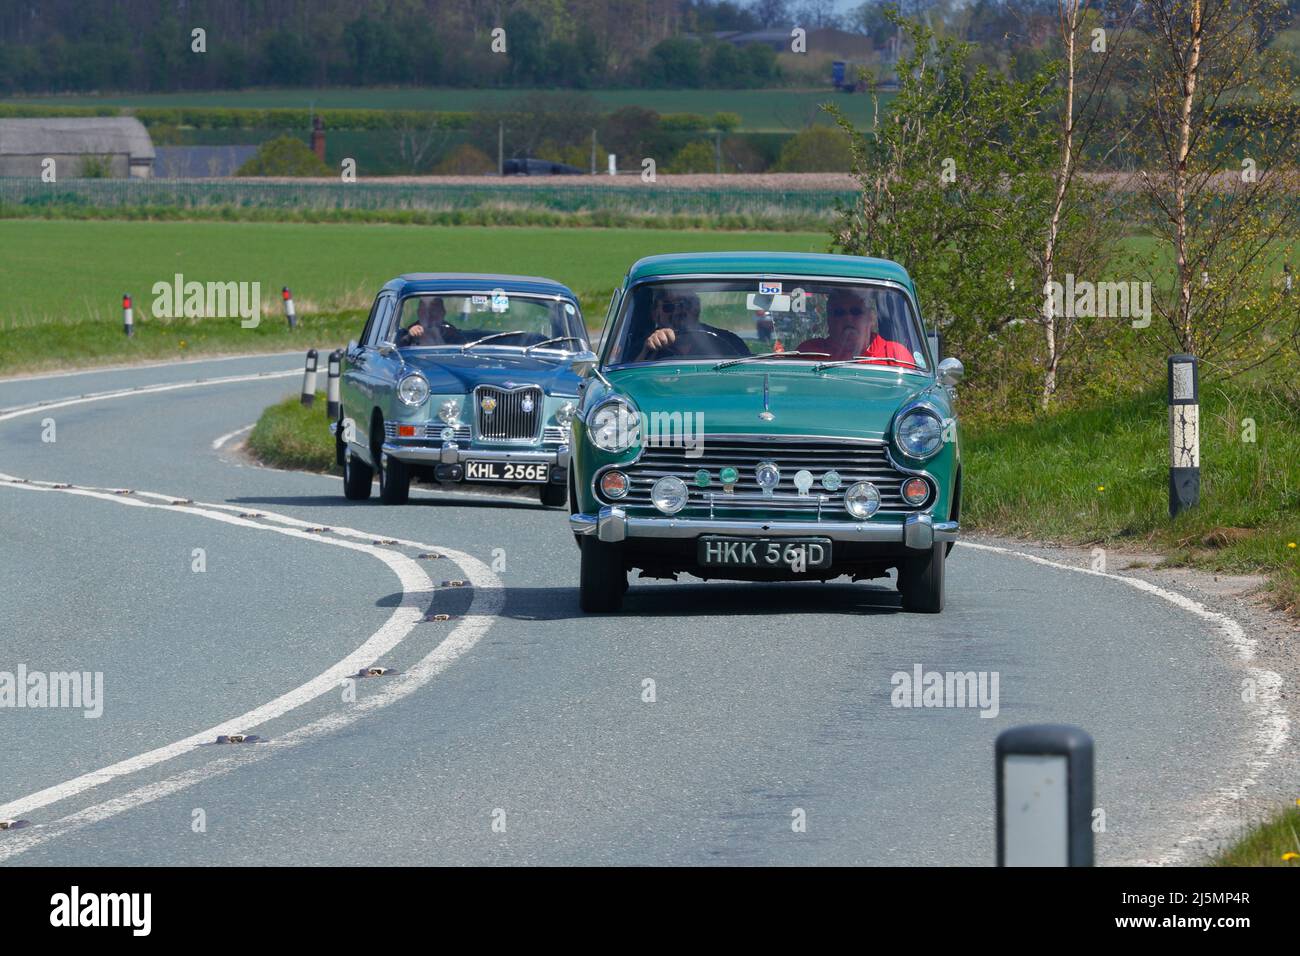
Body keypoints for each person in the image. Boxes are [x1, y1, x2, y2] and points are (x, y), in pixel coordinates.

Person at [797, 288, 914, 365]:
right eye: (839, 313)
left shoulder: (894, 355)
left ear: (871, 318)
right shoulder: (810, 353)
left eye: (856, 312)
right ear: (829, 320)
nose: (848, 319)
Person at [633, 290, 747, 361]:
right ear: (655, 313)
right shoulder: (641, 346)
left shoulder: (728, 341)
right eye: (669, 307)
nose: (678, 311)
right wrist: (649, 350)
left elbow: (749, 375)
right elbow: (628, 381)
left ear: (697, 308)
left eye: (686, 304)